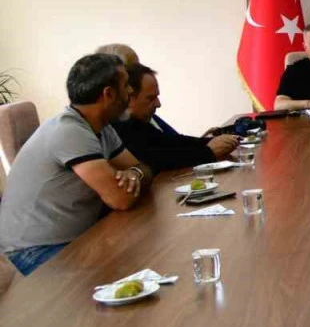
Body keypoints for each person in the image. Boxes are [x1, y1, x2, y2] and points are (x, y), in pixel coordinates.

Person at [0, 53, 152, 276]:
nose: (131, 91)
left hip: (71, 237)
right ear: (108, 94)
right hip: (32, 250)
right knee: (127, 274)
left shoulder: (101, 127)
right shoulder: (69, 131)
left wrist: (136, 173)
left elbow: (143, 168)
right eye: (126, 85)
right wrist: (134, 176)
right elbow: (120, 198)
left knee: (143, 254)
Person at [113, 64, 241, 172]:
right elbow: (154, 159)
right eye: (151, 98)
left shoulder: (137, 123)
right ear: (129, 98)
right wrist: (208, 152)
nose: (158, 104)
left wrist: (214, 142)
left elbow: (171, 142)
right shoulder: (118, 127)